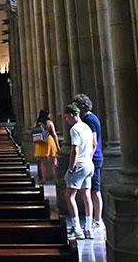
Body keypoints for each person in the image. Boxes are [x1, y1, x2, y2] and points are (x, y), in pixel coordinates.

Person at [74, 93, 105, 233]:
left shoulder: (89, 120)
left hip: (94, 158)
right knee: (90, 190)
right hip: (92, 158)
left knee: (95, 190)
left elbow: (93, 142)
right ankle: (92, 218)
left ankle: (98, 220)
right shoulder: (88, 118)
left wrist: (88, 159)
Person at [63, 103, 95, 240]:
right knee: (86, 196)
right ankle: (88, 228)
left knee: (69, 196)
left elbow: (74, 150)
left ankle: (77, 229)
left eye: (66, 117)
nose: (65, 120)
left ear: (72, 115)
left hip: (79, 165)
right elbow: (94, 144)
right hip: (89, 164)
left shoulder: (75, 129)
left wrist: (71, 168)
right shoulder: (86, 127)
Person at [32, 109, 60, 186]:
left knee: (43, 163)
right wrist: (57, 146)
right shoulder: (49, 123)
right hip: (49, 141)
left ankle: (44, 179)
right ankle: (56, 179)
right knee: (53, 162)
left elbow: (34, 132)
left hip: (40, 142)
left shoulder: (36, 123)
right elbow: (54, 134)